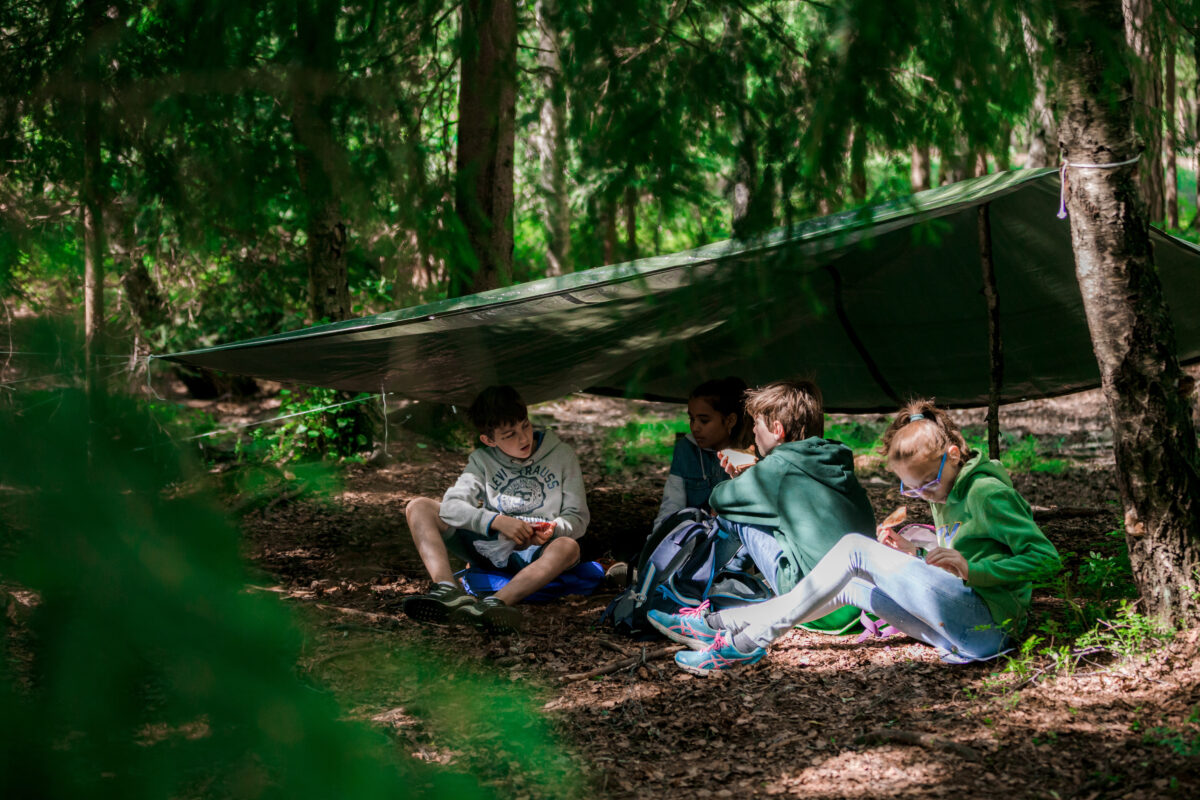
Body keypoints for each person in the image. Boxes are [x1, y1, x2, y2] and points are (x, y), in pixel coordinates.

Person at [649, 398, 1062, 674]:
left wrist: (971, 569)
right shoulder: (947, 485)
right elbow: (965, 547)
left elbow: (1045, 559)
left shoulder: (987, 491)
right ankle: (720, 624)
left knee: (853, 549)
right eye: (909, 489)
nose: (921, 495)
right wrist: (920, 551)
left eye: (925, 485)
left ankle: (749, 640)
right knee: (853, 585)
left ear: (953, 455)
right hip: (961, 630)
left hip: (991, 626)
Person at [402, 385, 589, 635]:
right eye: (509, 434)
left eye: (525, 425)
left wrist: (553, 529)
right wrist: (496, 521)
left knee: (568, 546)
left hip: (538, 551)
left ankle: (493, 605)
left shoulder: (562, 455)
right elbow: (451, 508)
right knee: (419, 507)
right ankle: (447, 591)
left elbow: (577, 517)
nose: (524, 438)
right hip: (490, 546)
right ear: (489, 440)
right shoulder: (482, 460)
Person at [708, 380, 875, 620]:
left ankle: (714, 586)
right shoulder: (835, 461)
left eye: (756, 424)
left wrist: (738, 483)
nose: (753, 431)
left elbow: (719, 498)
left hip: (809, 606)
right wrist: (750, 478)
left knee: (735, 516)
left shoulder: (778, 468)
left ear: (777, 430)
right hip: (857, 604)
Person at [652, 376, 752, 532]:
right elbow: (671, 505)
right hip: (692, 538)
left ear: (730, 420)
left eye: (704, 421)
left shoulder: (751, 454)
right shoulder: (686, 449)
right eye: (692, 419)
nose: (695, 427)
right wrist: (656, 543)